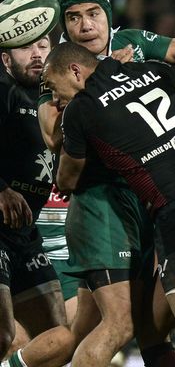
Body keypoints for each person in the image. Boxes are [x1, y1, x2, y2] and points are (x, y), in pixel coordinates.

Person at [11, 0, 175, 367]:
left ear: (107, 17)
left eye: (93, 14)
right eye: (74, 17)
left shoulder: (134, 40)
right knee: (122, 324)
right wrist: (109, 73)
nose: (85, 25)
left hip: (148, 202)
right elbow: (50, 133)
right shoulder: (62, 63)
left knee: (108, 328)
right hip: (102, 205)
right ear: (64, 26)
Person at [42, 41, 175, 367]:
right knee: (149, 329)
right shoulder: (151, 71)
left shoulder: (81, 108)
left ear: (75, 71)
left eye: (54, 86)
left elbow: (67, 180)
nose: (55, 98)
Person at [0, 36, 68, 359]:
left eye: (42, 45)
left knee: (58, 338)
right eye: (25, 48)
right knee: (3, 335)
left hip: (24, 235)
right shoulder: (4, 91)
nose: (37, 54)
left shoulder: (54, 100)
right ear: (6, 61)